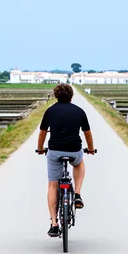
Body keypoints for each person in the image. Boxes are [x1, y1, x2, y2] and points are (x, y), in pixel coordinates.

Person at [36, 83, 96, 237]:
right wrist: (90, 149)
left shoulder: (50, 111)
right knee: (79, 163)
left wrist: (40, 149)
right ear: (71, 96)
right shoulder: (79, 111)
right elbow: (87, 133)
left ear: (56, 96)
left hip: (54, 151)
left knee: (52, 185)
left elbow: (42, 133)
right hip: (74, 150)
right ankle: (76, 194)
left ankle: (54, 224)